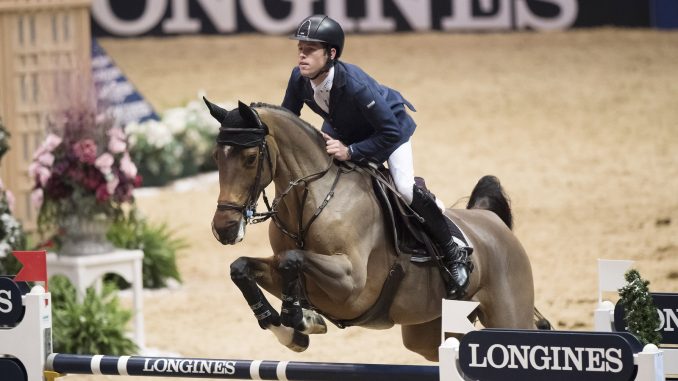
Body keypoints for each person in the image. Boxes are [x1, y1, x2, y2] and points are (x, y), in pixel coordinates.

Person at [281, 15, 472, 298]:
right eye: (300, 48)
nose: (301, 55)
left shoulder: (356, 85)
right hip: (346, 127)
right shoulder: (300, 78)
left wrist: (351, 152)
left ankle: (452, 251)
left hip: (389, 129)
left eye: (310, 50)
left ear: (331, 53)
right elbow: (287, 118)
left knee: (404, 188)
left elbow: (390, 132)